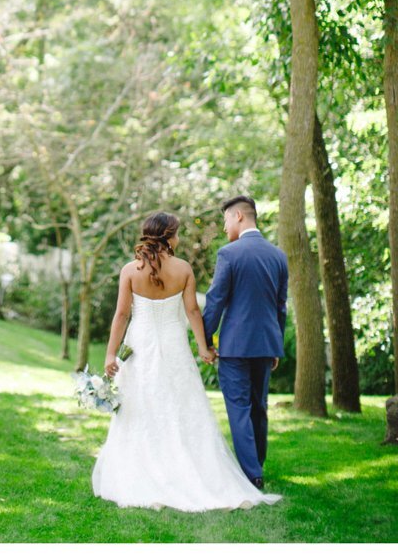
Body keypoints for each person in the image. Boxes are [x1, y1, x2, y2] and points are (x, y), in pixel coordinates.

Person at [91, 211, 280, 511]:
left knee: (142, 406)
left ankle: (144, 473)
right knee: (180, 405)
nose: (179, 238)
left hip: (139, 345)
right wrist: (204, 348)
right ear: (168, 236)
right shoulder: (183, 269)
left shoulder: (130, 270)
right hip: (174, 344)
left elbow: (122, 315)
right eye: (177, 233)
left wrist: (111, 354)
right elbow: (193, 312)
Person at [201, 194, 290, 491]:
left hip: (236, 347)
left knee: (239, 408)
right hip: (265, 345)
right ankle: (257, 464)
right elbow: (280, 306)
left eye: (226, 220)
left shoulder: (229, 254)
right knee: (258, 408)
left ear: (239, 216)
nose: (226, 227)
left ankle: (252, 475)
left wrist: (204, 340)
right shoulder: (278, 256)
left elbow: (215, 301)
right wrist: (275, 344)